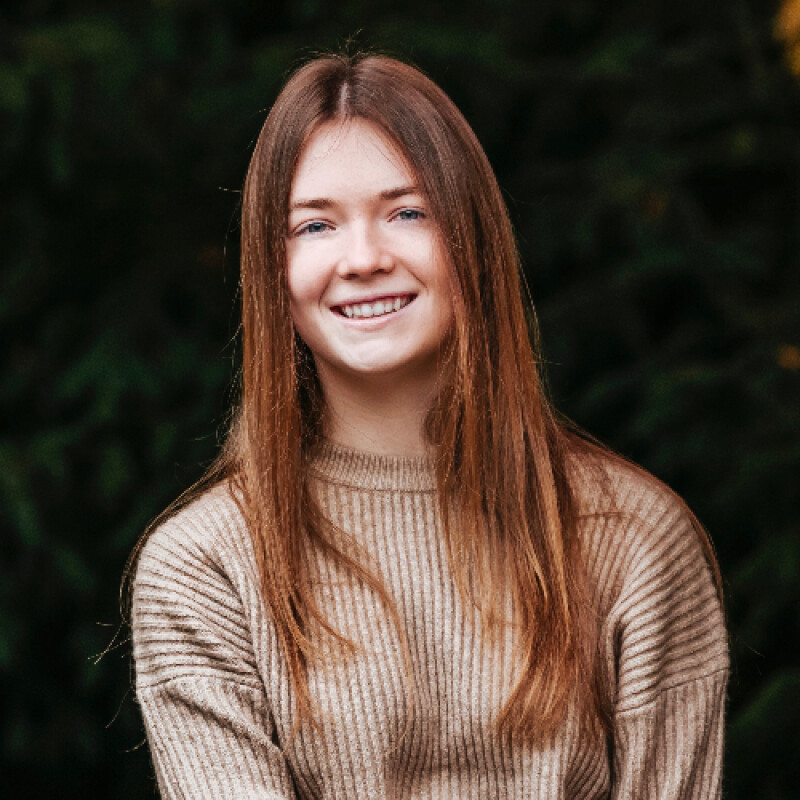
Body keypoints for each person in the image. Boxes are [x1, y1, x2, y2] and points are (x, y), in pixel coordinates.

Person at [129, 53, 729, 799]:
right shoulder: (204, 567)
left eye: (407, 213)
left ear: (473, 242)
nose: (363, 259)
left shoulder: (632, 539)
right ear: (271, 273)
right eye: (314, 225)